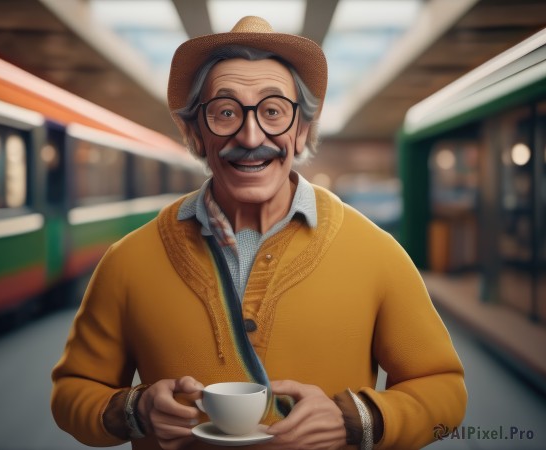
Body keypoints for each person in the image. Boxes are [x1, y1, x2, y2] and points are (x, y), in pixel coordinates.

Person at [51, 16, 466, 450]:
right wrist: (133, 412)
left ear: (301, 129)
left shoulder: (378, 254)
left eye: (273, 111)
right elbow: (72, 392)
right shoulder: (127, 261)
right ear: (195, 132)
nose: (251, 136)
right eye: (225, 112)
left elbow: (445, 391)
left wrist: (360, 420)